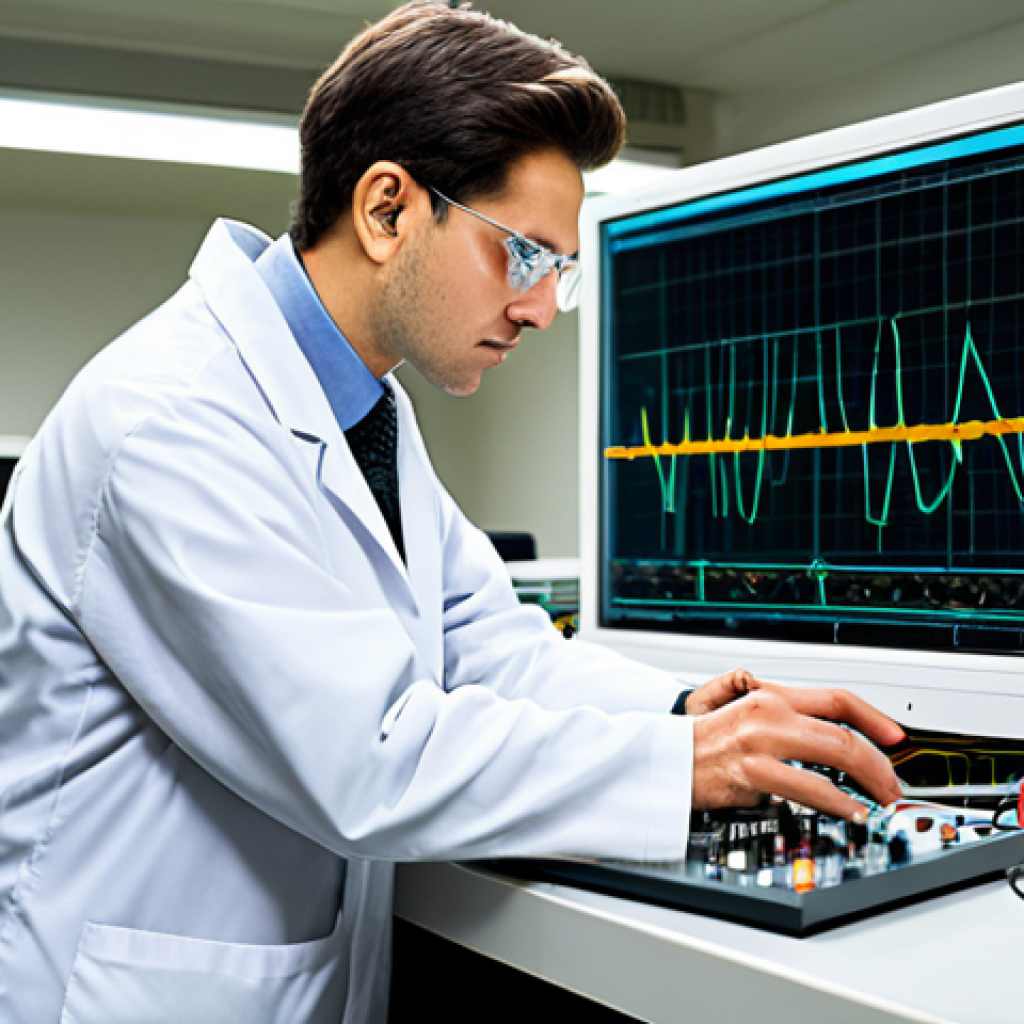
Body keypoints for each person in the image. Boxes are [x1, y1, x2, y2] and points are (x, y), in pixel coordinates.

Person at [0, 3, 903, 1021]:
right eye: (524, 256)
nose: (540, 307)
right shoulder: (168, 420)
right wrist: (683, 766)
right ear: (387, 209)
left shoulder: (363, 405)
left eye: (558, 271)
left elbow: (487, 645)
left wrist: (683, 713)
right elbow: (369, 757)